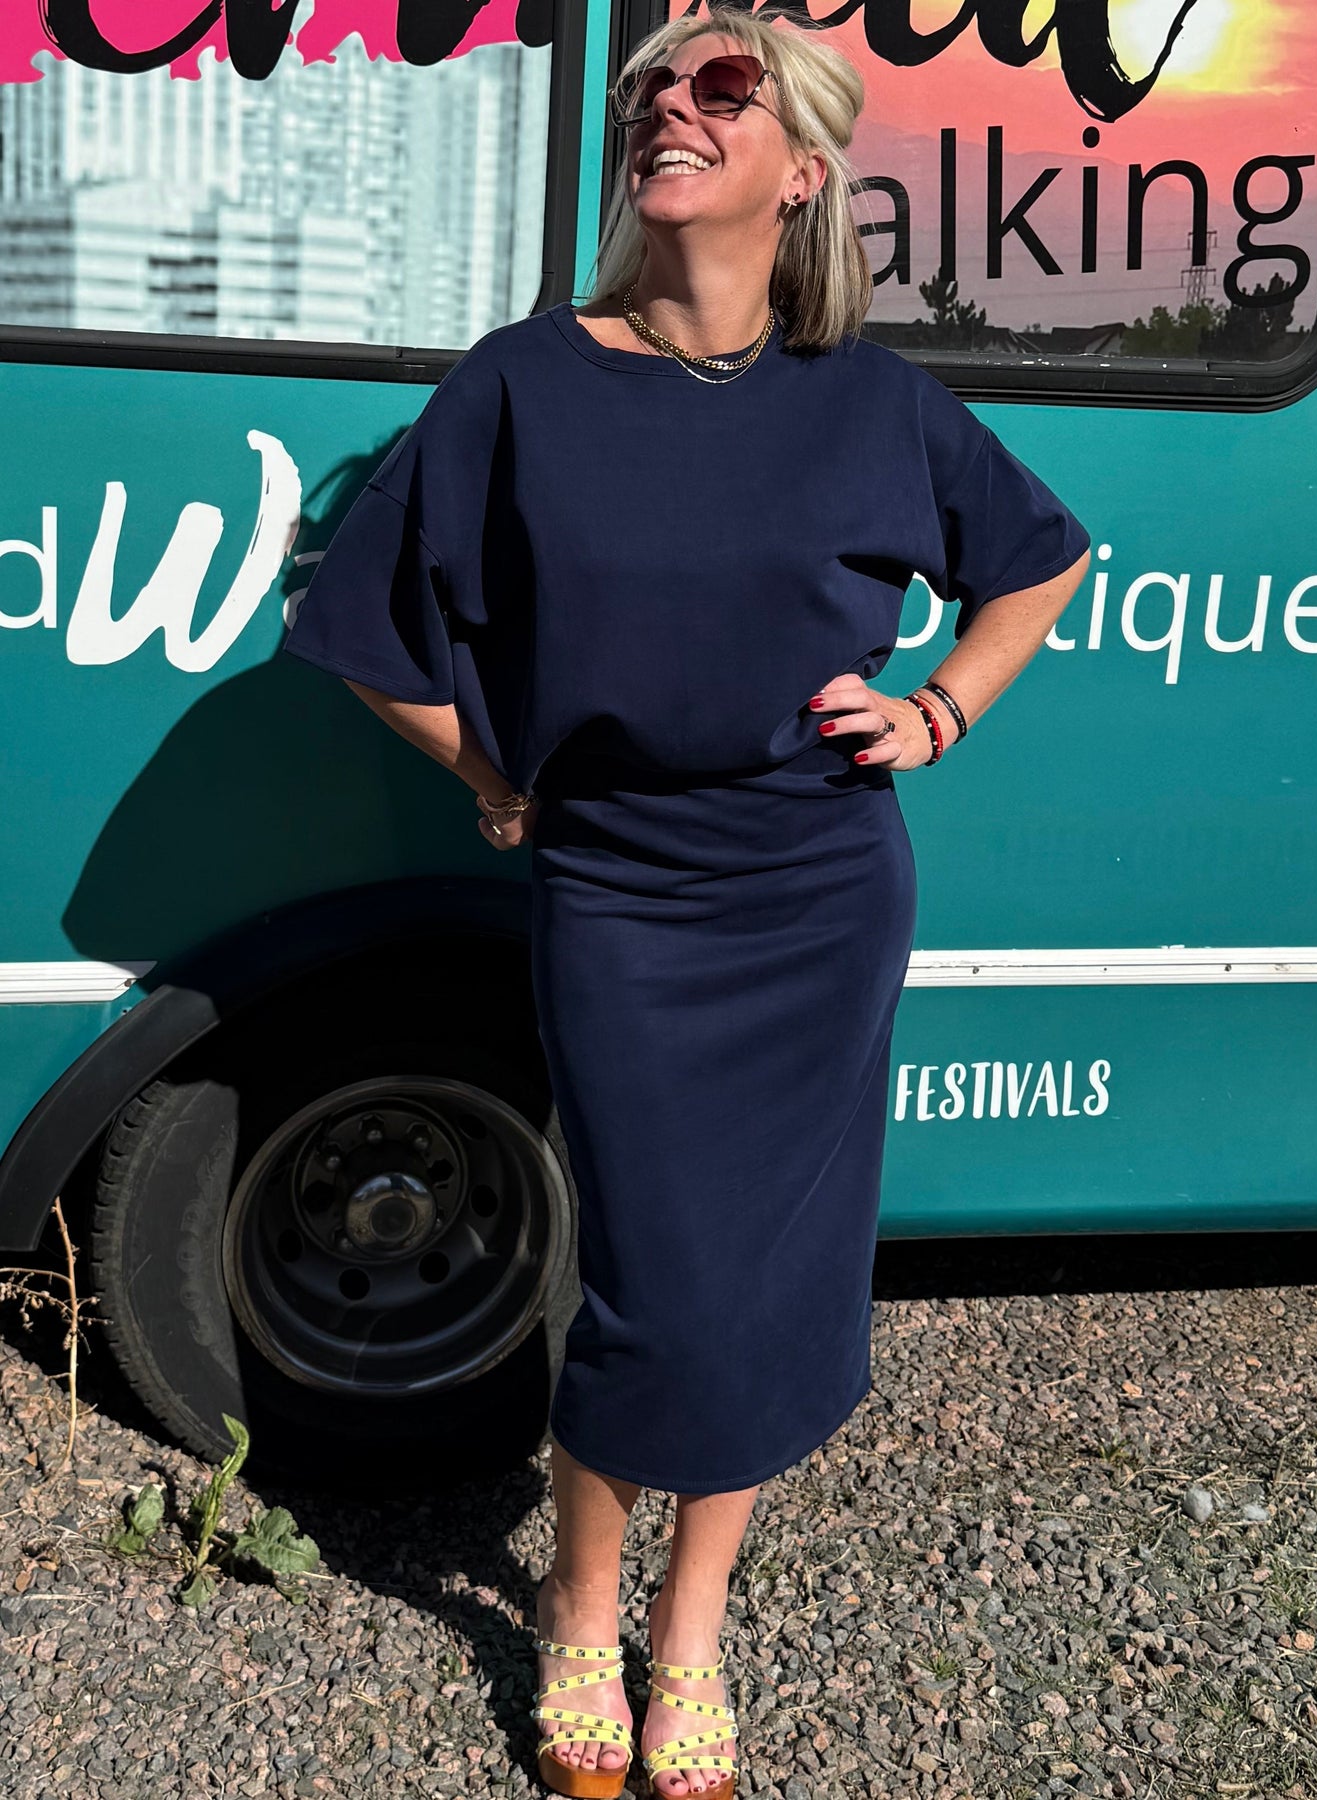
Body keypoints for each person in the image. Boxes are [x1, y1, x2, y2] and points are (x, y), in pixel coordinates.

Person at [282, 7, 1091, 1794]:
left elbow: (1037, 562)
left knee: (774, 1278)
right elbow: (357, 633)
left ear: (799, 169)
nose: (668, 102)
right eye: (651, 83)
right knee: (658, 1283)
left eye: (720, 84)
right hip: (625, 896)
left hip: (821, 888)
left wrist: (940, 708)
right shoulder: (523, 382)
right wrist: (494, 775)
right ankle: (581, 1605)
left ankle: (690, 1628)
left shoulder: (870, 398)